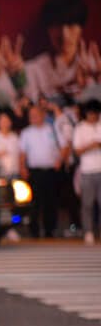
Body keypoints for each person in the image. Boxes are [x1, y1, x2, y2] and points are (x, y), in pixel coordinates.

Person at [24, 0, 100, 103]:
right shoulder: (33, 69)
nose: (65, 34)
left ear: (81, 29)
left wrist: (95, 83)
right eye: (57, 25)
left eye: (70, 25)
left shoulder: (95, 68)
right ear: (48, 29)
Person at [19, 103, 68, 237]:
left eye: (36, 115)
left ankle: (49, 230)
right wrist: (22, 167)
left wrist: (60, 160)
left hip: (51, 170)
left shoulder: (52, 129)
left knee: (50, 201)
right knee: (34, 201)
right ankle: (34, 230)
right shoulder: (26, 132)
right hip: (34, 171)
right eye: (31, 115)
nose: (33, 117)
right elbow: (22, 153)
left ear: (43, 115)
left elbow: (64, 146)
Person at [73, 99, 101, 245]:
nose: (93, 116)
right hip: (87, 170)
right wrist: (91, 146)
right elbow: (77, 150)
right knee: (87, 204)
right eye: (90, 113)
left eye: (95, 114)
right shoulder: (80, 128)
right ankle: (88, 231)